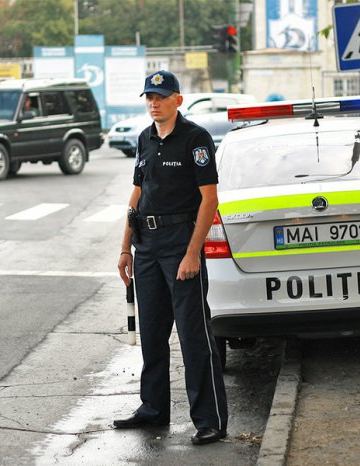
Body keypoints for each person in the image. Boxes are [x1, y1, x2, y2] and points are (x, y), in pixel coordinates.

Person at [115, 70, 228, 446]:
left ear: (177, 99)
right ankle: (153, 409)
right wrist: (124, 247)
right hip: (146, 246)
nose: (153, 102)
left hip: (181, 244)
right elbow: (136, 194)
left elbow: (209, 200)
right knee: (152, 332)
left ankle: (209, 419)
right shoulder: (144, 139)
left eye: (161, 96)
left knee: (194, 335)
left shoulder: (195, 139)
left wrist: (193, 252)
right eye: (149, 96)